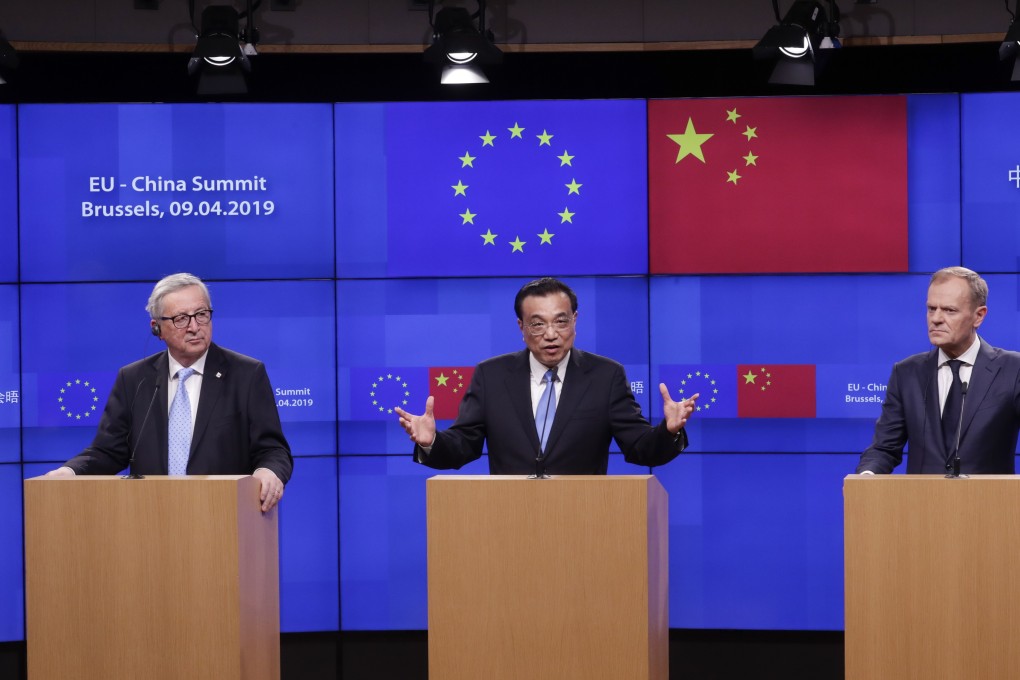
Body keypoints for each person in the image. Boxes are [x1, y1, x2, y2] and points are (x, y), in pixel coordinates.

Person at [395, 277, 699, 475]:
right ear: (521, 327)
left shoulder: (606, 376)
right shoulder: (491, 375)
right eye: (538, 324)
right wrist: (432, 441)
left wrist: (669, 431)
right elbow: (464, 445)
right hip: (508, 519)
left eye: (561, 321)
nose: (551, 334)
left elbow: (640, 447)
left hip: (584, 520)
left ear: (575, 321)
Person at [45, 273, 293, 511]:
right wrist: (70, 471)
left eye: (201, 314)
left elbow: (273, 450)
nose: (194, 327)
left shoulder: (246, 375)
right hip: (150, 517)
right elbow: (109, 451)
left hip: (223, 515)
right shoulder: (134, 379)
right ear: (157, 329)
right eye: (181, 319)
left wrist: (268, 472)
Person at [857, 266, 1020, 475]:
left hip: (987, 497)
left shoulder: (1013, 369)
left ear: (978, 316)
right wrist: (866, 478)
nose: (936, 318)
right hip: (923, 496)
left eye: (949, 310)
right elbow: (883, 449)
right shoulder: (906, 373)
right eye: (931, 308)